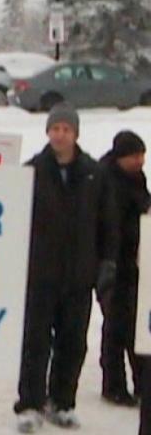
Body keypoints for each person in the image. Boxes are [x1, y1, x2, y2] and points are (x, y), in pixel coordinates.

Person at [14, 104, 118, 433]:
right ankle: (30, 402)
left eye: (65, 129)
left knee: (73, 342)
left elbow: (107, 222)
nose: (59, 135)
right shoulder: (32, 170)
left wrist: (107, 261)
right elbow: (17, 219)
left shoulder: (93, 173)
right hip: (40, 273)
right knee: (35, 341)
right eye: (54, 129)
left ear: (75, 134)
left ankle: (63, 401)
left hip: (78, 275)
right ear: (47, 132)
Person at [98, 131, 149, 406]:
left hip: (136, 261)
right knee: (117, 326)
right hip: (112, 263)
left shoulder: (137, 178)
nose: (140, 161)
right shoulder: (103, 179)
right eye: (135, 156)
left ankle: (142, 383)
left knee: (137, 325)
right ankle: (113, 385)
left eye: (143, 156)